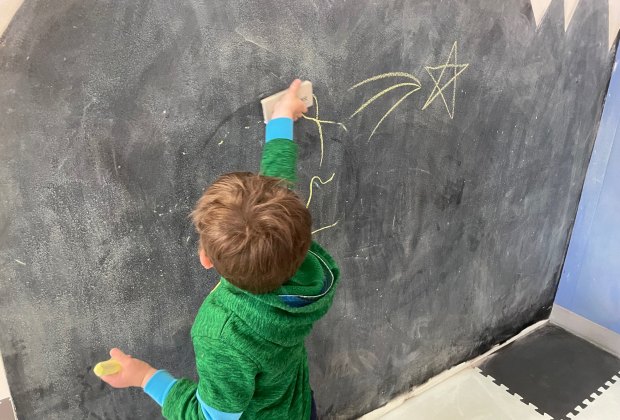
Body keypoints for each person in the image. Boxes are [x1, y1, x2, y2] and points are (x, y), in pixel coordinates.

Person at [99, 79, 340, 420]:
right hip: (299, 408)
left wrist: (145, 377)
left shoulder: (223, 334)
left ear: (205, 259)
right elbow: (277, 188)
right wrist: (281, 118)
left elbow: (213, 417)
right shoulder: (300, 261)